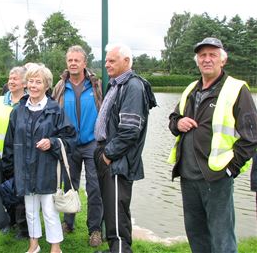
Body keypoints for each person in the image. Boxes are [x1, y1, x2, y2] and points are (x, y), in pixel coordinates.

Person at [168, 37, 257, 253]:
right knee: (196, 236)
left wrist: (229, 169)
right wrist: (178, 123)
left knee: (222, 239)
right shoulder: (191, 89)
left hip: (216, 179)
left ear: (222, 60)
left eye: (212, 55)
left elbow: (251, 137)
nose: (207, 59)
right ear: (197, 60)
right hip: (188, 177)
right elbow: (173, 119)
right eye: (202, 55)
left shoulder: (236, 89)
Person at [2, 64, 77, 253]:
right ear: (26, 84)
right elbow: (9, 144)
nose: (33, 85)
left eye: (38, 82)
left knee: (50, 211)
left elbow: (70, 138)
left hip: (47, 169)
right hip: (24, 170)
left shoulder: (55, 110)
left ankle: (55, 247)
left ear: (46, 86)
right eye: (30, 81)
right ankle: (33, 246)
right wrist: (8, 170)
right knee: (30, 211)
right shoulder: (17, 111)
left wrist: (52, 142)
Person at [93, 43, 156, 253]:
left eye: (112, 60)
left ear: (127, 62)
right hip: (109, 155)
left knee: (117, 214)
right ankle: (115, 249)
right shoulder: (116, 84)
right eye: (106, 60)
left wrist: (108, 156)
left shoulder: (133, 87)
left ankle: (120, 249)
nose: (107, 64)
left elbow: (130, 130)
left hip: (118, 161)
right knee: (112, 211)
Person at [52, 45, 103, 247]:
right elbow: (53, 112)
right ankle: (68, 223)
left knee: (94, 187)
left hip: (92, 143)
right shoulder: (60, 86)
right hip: (69, 144)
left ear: (84, 63)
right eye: (70, 60)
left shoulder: (96, 84)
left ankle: (95, 230)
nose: (73, 63)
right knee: (69, 185)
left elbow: (106, 109)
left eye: (77, 60)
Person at [0, 65, 29, 239]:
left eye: (15, 78)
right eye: (10, 78)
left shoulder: (28, 103)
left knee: (20, 193)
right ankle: (6, 221)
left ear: (24, 82)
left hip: (19, 157)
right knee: (1, 191)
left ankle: (22, 227)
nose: (11, 81)